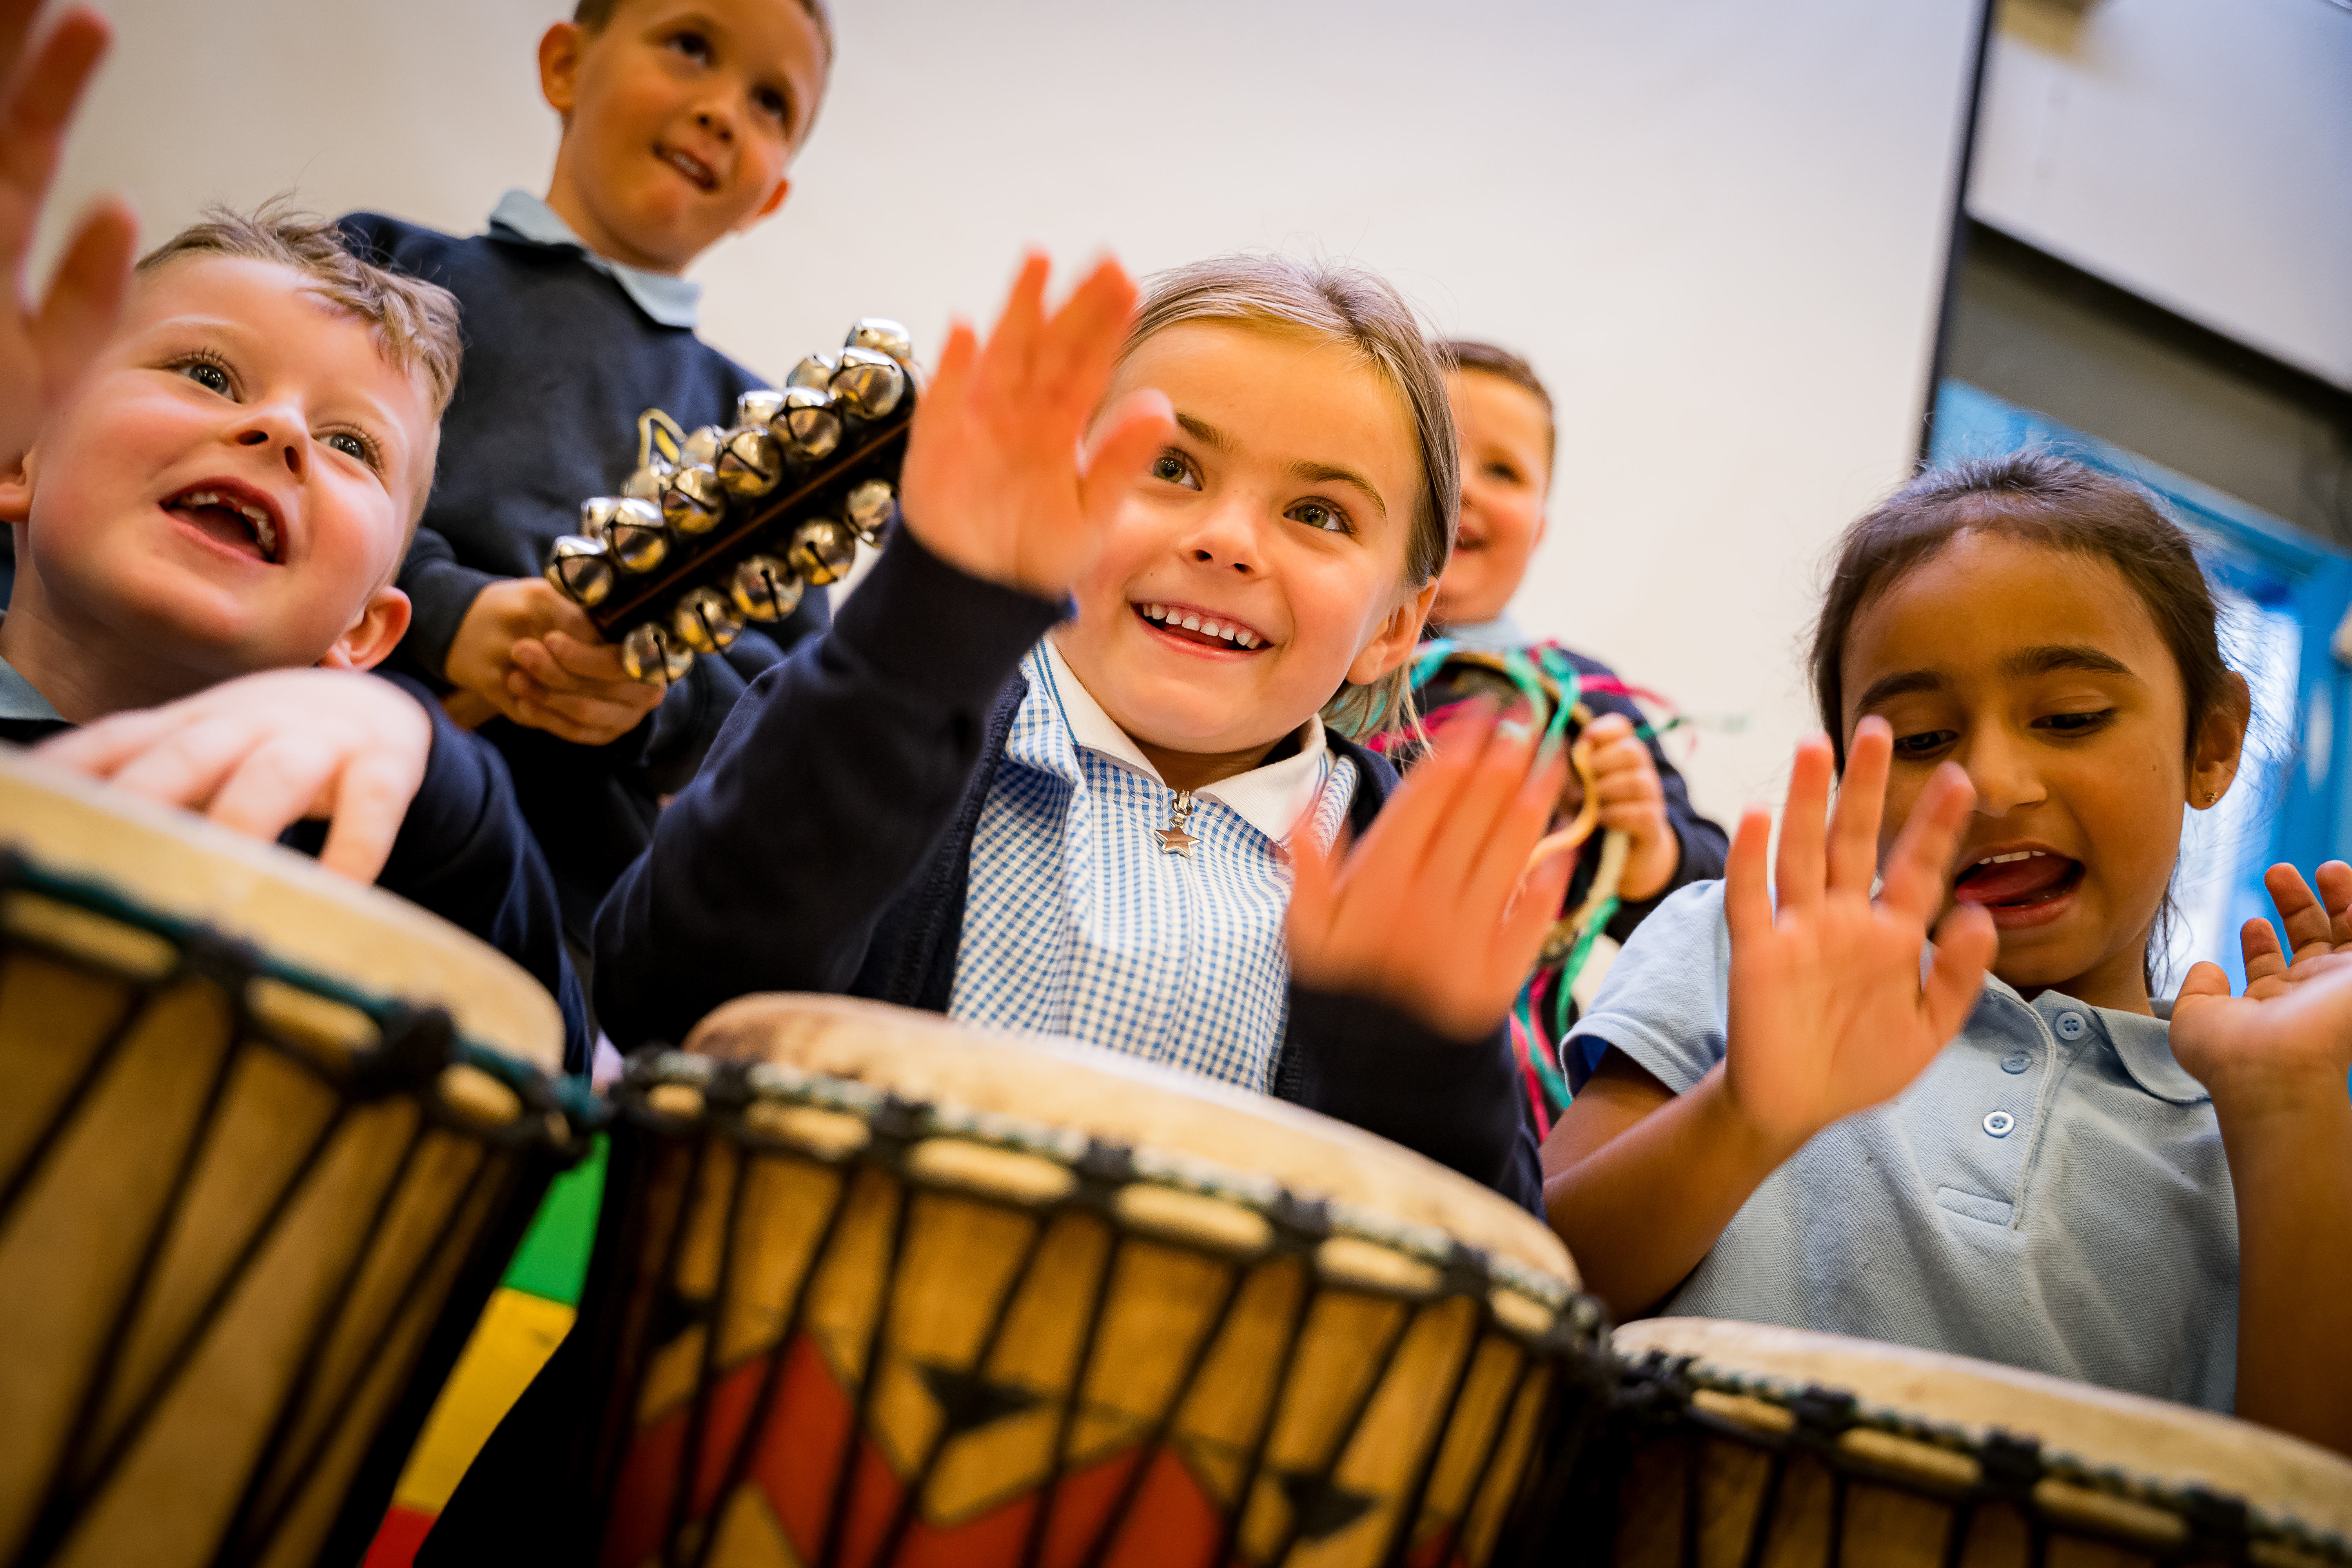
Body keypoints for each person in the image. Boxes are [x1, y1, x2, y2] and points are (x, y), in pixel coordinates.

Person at [594, 253, 1585, 1212]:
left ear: (1396, 630)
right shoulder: (875, 708)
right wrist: (918, 639)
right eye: (1171, 465)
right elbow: (666, 993)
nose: (1228, 541)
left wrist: (1425, 1069)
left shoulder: (1400, 880)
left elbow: (1483, 1255)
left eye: (1319, 512)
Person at [1543, 453, 2352, 1455]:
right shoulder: (1745, 942)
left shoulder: (2267, 1127)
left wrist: (2289, 1105)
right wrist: (1745, 1114)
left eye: (2069, 719)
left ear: (2213, 741)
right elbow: (1538, 1283)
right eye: (1921, 738)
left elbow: (2309, 1502)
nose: (1992, 782)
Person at [0, 6, 587, 1069]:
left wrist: (428, 763)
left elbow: (554, 1041)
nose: (276, 430)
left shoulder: (371, 841)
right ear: (19, 460)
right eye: (207, 374)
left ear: (366, 631)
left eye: (351, 445)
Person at [336, 0, 835, 952]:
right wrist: (446, 610)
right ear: (565, 66)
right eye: (692, 47)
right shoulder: (387, 270)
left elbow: (787, 707)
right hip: (322, 785)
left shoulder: (775, 435)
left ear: (768, 198)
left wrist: (658, 697)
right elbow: (291, 472)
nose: (725, 111)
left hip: (561, 926)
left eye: (771, 103)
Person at [1417, 341, 1726, 1112]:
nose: (1465, 489)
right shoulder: (1316, 662)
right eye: (1439, 455)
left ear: (1541, 528)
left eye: (1504, 471)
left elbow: (1706, 903)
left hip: (1498, 1086)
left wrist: (1648, 850)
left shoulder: (1579, 695)